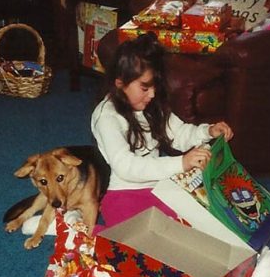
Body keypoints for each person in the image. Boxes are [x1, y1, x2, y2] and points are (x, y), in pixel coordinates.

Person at [91, 32, 233, 229]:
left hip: (161, 185)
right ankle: (71, 224)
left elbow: (179, 134)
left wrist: (207, 131)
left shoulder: (150, 105)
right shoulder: (107, 118)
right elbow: (126, 166)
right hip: (124, 192)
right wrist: (181, 162)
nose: (152, 94)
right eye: (144, 88)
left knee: (199, 225)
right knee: (134, 245)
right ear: (120, 83)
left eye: (154, 87)